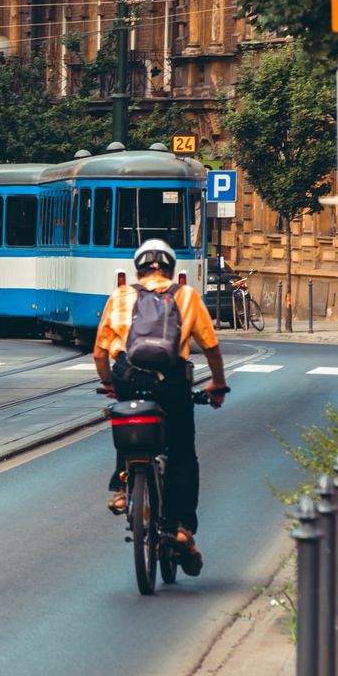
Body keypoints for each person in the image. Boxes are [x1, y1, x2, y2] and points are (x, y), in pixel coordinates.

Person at [94, 238, 227, 575]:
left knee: (126, 417)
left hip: (127, 374)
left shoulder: (122, 296)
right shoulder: (186, 296)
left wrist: (110, 383)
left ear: (138, 269)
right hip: (171, 381)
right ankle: (182, 527)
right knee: (183, 451)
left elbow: (99, 351)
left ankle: (123, 488)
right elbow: (211, 347)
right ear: (170, 268)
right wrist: (217, 385)